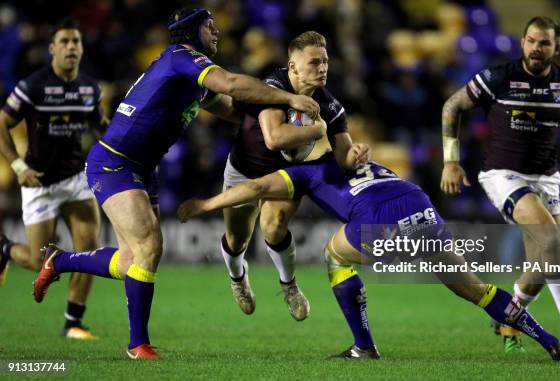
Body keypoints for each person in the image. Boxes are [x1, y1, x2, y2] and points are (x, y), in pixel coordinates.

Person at [33, 7, 320, 360]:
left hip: (142, 168)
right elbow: (230, 83)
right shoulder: (181, 56)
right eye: (209, 27)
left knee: (130, 260)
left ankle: (59, 261)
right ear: (191, 31)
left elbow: (231, 108)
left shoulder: (192, 78)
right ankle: (137, 345)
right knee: (149, 247)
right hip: (113, 163)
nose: (217, 32)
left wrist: (274, 120)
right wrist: (288, 98)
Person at [177, 153, 560, 361]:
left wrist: (209, 202)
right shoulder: (357, 159)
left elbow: (258, 187)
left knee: (334, 256)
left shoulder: (302, 172)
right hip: (422, 207)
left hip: (383, 222)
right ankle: (553, 343)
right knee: (475, 290)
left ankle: (363, 346)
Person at [439, 16, 560, 356]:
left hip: (546, 177)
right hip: (503, 175)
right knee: (551, 241)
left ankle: (509, 316)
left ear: (556, 47)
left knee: (542, 264)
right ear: (522, 42)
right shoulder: (500, 77)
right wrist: (451, 161)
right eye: (530, 41)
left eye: (544, 43)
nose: (536, 48)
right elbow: (452, 105)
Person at [220, 31, 369, 320]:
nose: (322, 68)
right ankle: (237, 277)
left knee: (274, 226)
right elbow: (274, 138)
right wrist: (316, 130)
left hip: (285, 175)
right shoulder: (272, 87)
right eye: (314, 62)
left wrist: (357, 153)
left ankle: (289, 286)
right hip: (244, 169)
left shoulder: (331, 106)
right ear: (293, 67)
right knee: (237, 238)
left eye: (325, 61)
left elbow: (344, 156)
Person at [0, 19, 106, 340]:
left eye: (76, 41)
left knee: (89, 252)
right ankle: (4, 248)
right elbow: (1, 124)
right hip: (39, 183)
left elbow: (100, 124)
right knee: (37, 260)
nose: (71, 47)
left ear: (82, 48)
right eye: (65, 41)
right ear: (52, 49)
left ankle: (73, 323)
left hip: (75, 179)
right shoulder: (32, 86)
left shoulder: (89, 88)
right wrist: (18, 166)